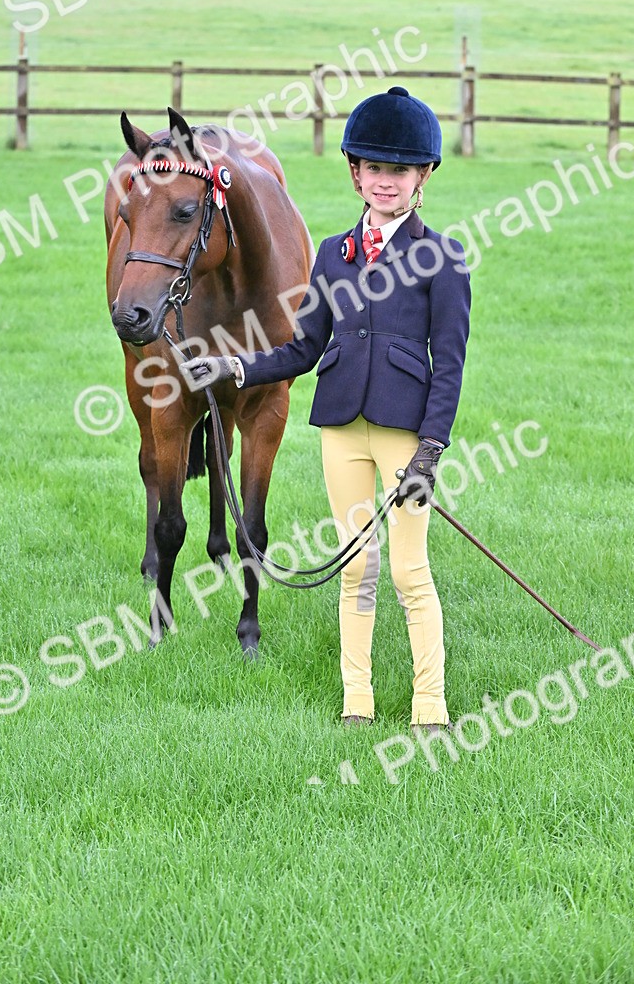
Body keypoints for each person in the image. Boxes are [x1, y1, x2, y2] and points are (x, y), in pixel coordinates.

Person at [179, 86, 471, 732]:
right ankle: (356, 701)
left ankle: (430, 705)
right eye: (373, 169)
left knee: (407, 569)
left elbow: (448, 365)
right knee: (357, 567)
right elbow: (303, 348)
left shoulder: (443, 259)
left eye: (398, 170)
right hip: (341, 428)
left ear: (423, 177)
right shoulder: (333, 256)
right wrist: (235, 366)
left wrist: (431, 449)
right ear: (354, 173)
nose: (384, 182)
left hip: (403, 435)